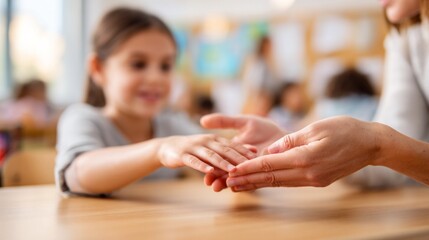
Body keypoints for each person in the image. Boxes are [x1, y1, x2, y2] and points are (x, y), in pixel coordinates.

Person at [201, 0, 429, 192]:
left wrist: (377, 144)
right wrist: (292, 147)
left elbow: (392, 148)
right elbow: (395, 166)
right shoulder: (405, 36)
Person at [55, 8, 255, 196]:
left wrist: (246, 165)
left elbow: (225, 164)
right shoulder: (82, 118)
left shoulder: (172, 125)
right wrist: (159, 149)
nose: (155, 78)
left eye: (166, 66)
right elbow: (78, 174)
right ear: (98, 68)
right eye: (138, 64)